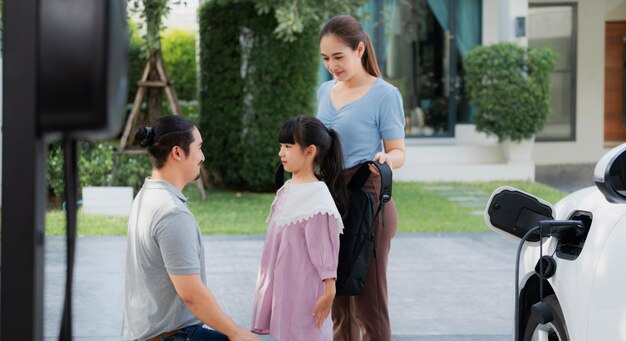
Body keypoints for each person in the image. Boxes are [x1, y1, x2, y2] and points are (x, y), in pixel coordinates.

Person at [123, 115, 259, 341]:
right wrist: (236, 333)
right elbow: (192, 294)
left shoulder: (146, 195)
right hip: (175, 336)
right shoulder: (171, 212)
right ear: (177, 153)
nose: (202, 157)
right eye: (199, 148)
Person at [316, 15, 406, 341]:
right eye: (326, 58)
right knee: (338, 299)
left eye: (338, 57)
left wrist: (386, 159)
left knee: (370, 302)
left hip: (369, 198)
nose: (332, 65)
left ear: (359, 49)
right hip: (331, 196)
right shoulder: (325, 91)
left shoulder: (384, 94)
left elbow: (398, 152)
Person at [251, 115, 348, 340]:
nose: (281, 153)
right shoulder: (287, 189)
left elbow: (324, 248)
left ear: (309, 151)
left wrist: (329, 289)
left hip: (305, 293)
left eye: (287, 146)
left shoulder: (317, 197)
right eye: (281, 146)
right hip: (285, 288)